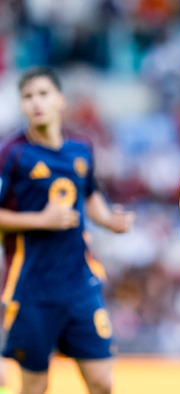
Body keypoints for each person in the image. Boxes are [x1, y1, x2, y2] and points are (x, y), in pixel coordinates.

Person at [0, 67, 135, 394]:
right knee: (35, 387)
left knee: (102, 382)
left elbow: (89, 198)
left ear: (60, 100)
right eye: (28, 96)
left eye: (43, 94)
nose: (36, 103)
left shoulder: (81, 149)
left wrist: (109, 220)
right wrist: (39, 220)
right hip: (32, 290)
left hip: (80, 285)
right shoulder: (13, 154)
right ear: (20, 105)